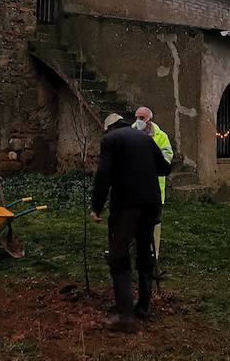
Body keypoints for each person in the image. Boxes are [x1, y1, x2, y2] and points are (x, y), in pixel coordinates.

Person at [92, 112, 172, 332]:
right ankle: (144, 307)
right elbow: (165, 168)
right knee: (145, 253)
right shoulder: (145, 138)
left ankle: (125, 317)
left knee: (118, 257)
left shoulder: (110, 140)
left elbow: (103, 174)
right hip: (152, 204)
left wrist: (96, 207)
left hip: (127, 207)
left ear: (108, 129)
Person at [133, 106, 173, 263]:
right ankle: (138, 249)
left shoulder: (161, 136)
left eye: (141, 118)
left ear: (149, 119)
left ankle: (154, 252)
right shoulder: (131, 133)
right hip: (135, 187)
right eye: (136, 117)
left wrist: (153, 165)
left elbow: (168, 156)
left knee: (155, 222)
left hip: (155, 187)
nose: (138, 121)